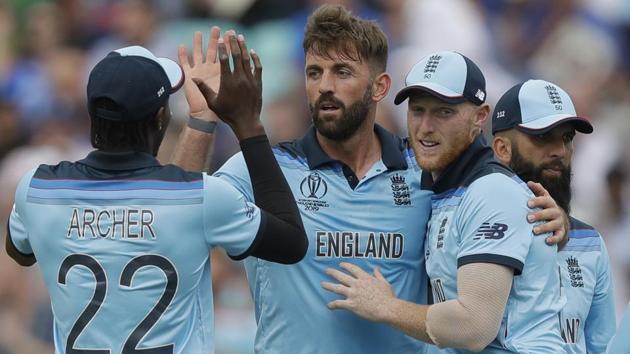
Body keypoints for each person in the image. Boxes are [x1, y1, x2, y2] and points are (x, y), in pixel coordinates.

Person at [182, 5, 567, 353]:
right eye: (315, 72)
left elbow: (500, 209)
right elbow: (174, 213)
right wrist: (201, 120)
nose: (325, 86)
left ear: (380, 87)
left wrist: (552, 218)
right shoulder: (264, 167)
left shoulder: (428, 172)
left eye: (342, 71)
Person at [4, 36, 308, 353]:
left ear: (92, 114)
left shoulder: (36, 189)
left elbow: (20, 251)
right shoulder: (203, 197)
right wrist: (248, 124)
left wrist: (202, 121)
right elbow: (291, 241)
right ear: (160, 119)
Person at [322, 51, 566, 353]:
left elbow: (473, 326)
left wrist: (386, 307)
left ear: (480, 117)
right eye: (418, 110)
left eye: (444, 112)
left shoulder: (491, 191)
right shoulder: (441, 184)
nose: (425, 126)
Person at [491, 79, 616, 353]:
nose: (559, 150)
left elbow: (603, 346)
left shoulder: (591, 242)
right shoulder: (471, 226)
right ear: (501, 149)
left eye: (567, 137)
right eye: (541, 136)